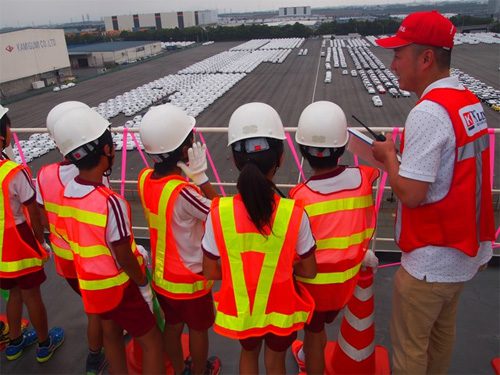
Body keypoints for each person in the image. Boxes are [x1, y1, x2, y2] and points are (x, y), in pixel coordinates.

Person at [372, 11, 495, 374]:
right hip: (462, 256)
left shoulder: (428, 111)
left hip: (429, 263)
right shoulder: (469, 102)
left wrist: (389, 156)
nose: (392, 64)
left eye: (398, 54)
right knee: (440, 345)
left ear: (426, 59)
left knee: (410, 353)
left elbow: (410, 194)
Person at [202, 102, 317, 374]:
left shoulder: (219, 213)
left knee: (248, 355)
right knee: (275, 360)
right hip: (281, 307)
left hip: (244, 309)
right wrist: (287, 266)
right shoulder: (294, 214)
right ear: (280, 158)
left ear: (234, 160)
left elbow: (209, 269)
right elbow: (310, 270)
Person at [51, 106, 165, 374]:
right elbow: (123, 254)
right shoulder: (110, 202)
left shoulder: (68, 194)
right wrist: (143, 283)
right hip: (119, 288)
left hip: (91, 287)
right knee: (152, 341)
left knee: (112, 336)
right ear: (105, 151)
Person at [289, 101, 380, 374]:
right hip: (346, 284)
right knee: (323, 325)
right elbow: (379, 162)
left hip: (313, 287)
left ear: (302, 151)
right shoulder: (364, 178)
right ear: (343, 146)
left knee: (314, 336)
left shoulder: (298, 196)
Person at [137, 104, 221, 375]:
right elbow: (220, 213)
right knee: (198, 331)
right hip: (189, 280)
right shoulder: (183, 193)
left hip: (161, 279)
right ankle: (199, 371)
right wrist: (201, 178)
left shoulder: (144, 179)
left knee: (172, 328)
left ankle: (178, 367)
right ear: (185, 150)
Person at [36, 101, 106, 374]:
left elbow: (43, 217)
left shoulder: (44, 174)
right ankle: (94, 357)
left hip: (66, 261)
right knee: (97, 309)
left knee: (90, 304)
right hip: (94, 259)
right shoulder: (93, 175)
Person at [0, 104, 65, 363]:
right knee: (31, 295)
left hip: (1, 248)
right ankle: (43, 343)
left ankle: (14, 342)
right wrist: (41, 242)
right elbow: (34, 212)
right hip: (19, 240)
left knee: (13, 294)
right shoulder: (14, 172)